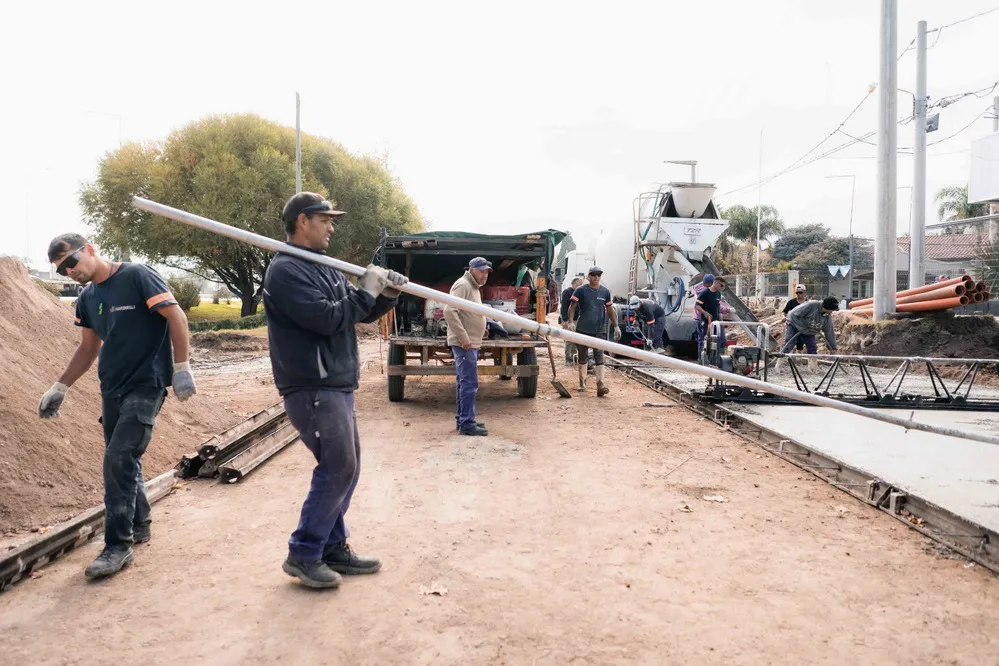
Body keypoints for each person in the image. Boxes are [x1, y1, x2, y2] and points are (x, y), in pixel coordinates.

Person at [263, 192, 406, 589]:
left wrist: (386, 295)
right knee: (338, 466)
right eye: (325, 220)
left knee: (347, 467)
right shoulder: (287, 271)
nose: (332, 227)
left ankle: (332, 545)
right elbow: (327, 319)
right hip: (312, 386)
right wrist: (366, 292)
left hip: (335, 383)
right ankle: (304, 553)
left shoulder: (323, 267)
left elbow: (352, 314)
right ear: (303, 221)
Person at [38, 233, 196, 579]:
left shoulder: (137, 275)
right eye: (61, 270)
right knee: (121, 457)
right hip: (112, 388)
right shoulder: (87, 298)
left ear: (89, 249)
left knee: (120, 457)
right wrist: (60, 386)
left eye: (70, 262)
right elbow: (87, 349)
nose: (69, 271)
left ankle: (118, 546)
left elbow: (176, 316)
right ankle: (140, 523)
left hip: (146, 384)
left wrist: (182, 367)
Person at [444, 257, 492, 437]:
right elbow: (449, 311)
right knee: (469, 383)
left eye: (487, 271)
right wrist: (464, 337)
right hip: (465, 344)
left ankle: (465, 419)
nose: (484, 275)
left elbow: (469, 312)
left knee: (464, 383)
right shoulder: (463, 285)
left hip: (470, 342)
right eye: (481, 271)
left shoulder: (473, 287)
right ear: (471, 269)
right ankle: (466, 423)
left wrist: (481, 327)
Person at [565, 266, 620, 396]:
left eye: (598, 275)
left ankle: (600, 384)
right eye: (593, 275)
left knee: (599, 355)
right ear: (589, 276)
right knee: (583, 356)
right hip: (583, 328)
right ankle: (582, 382)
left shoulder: (605, 292)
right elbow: (572, 307)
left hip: (599, 329)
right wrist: (571, 321)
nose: (596, 277)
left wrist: (616, 325)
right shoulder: (581, 290)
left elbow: (610, 310)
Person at [694, 274, 726, 364]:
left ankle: (713, 359)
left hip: (715, 322)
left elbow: (718, 305)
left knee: (716, 340)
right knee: (704, 339)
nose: (722, 287)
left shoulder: (718, 293)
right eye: (721, 285)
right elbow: (697, 305)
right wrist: (705, 313)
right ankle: (701, 360)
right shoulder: (705, 293)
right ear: (715, 283)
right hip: (705, 321)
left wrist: (720, 315)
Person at [560, 276, 584, 366]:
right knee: (569, 339)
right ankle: (568, 358)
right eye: (579, 284)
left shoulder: (580, 293)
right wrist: (565, 320)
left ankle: (574, 357)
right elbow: (564, 307)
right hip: (570, 320)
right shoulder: (567, 292)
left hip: (577, 319)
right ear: (574, 283)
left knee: (576, 340)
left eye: (581, 284)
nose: (580, 286)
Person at [782, 284, 808, 352]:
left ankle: (799, 355)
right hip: (792, 324)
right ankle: (785, 356)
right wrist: (783, 317)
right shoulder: (792, 302)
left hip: (803, 325)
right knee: (789, 339)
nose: (798, 294)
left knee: (801, 341)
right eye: (797, 293)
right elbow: (784, 311)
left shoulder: (808, 303)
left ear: (804, 292)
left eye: (800, 292)